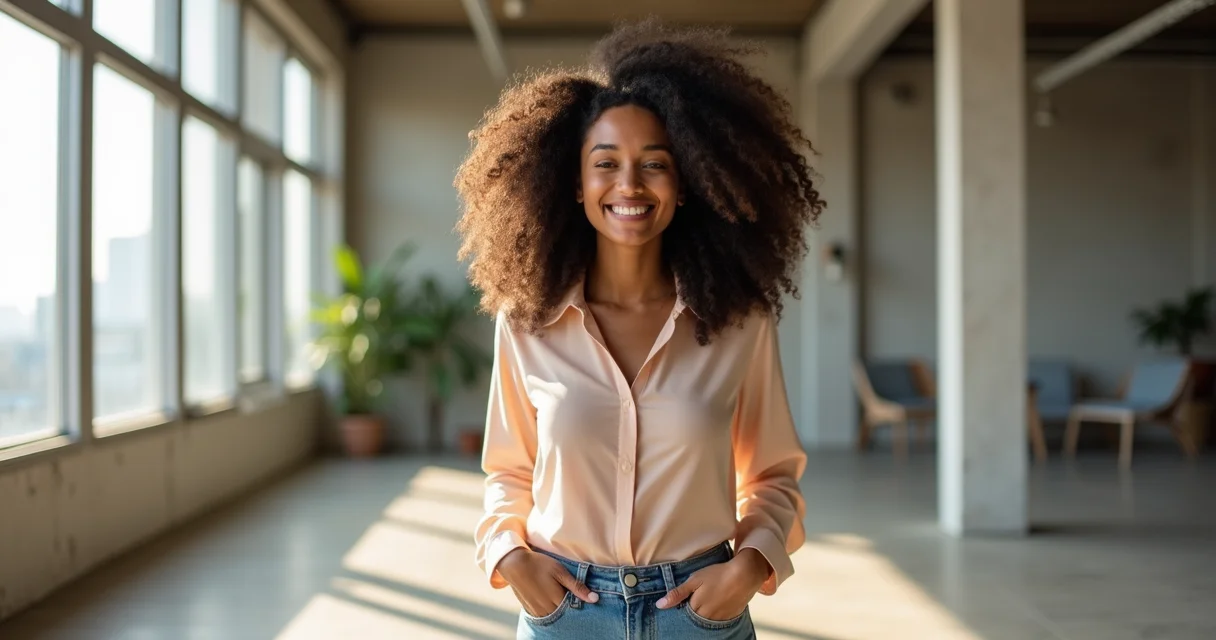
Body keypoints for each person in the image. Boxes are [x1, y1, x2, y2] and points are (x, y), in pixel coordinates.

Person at [455, 19, 823, 640]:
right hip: (563, 613)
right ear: (575, 184)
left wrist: (748, 568)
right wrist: (509, 557)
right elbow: (509, 471)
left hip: (700, 611)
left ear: (686, 185)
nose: (629, 184)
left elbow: (771, 474)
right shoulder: (528, 323)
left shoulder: (740, 320)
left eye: (655, 164)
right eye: (607, 163)